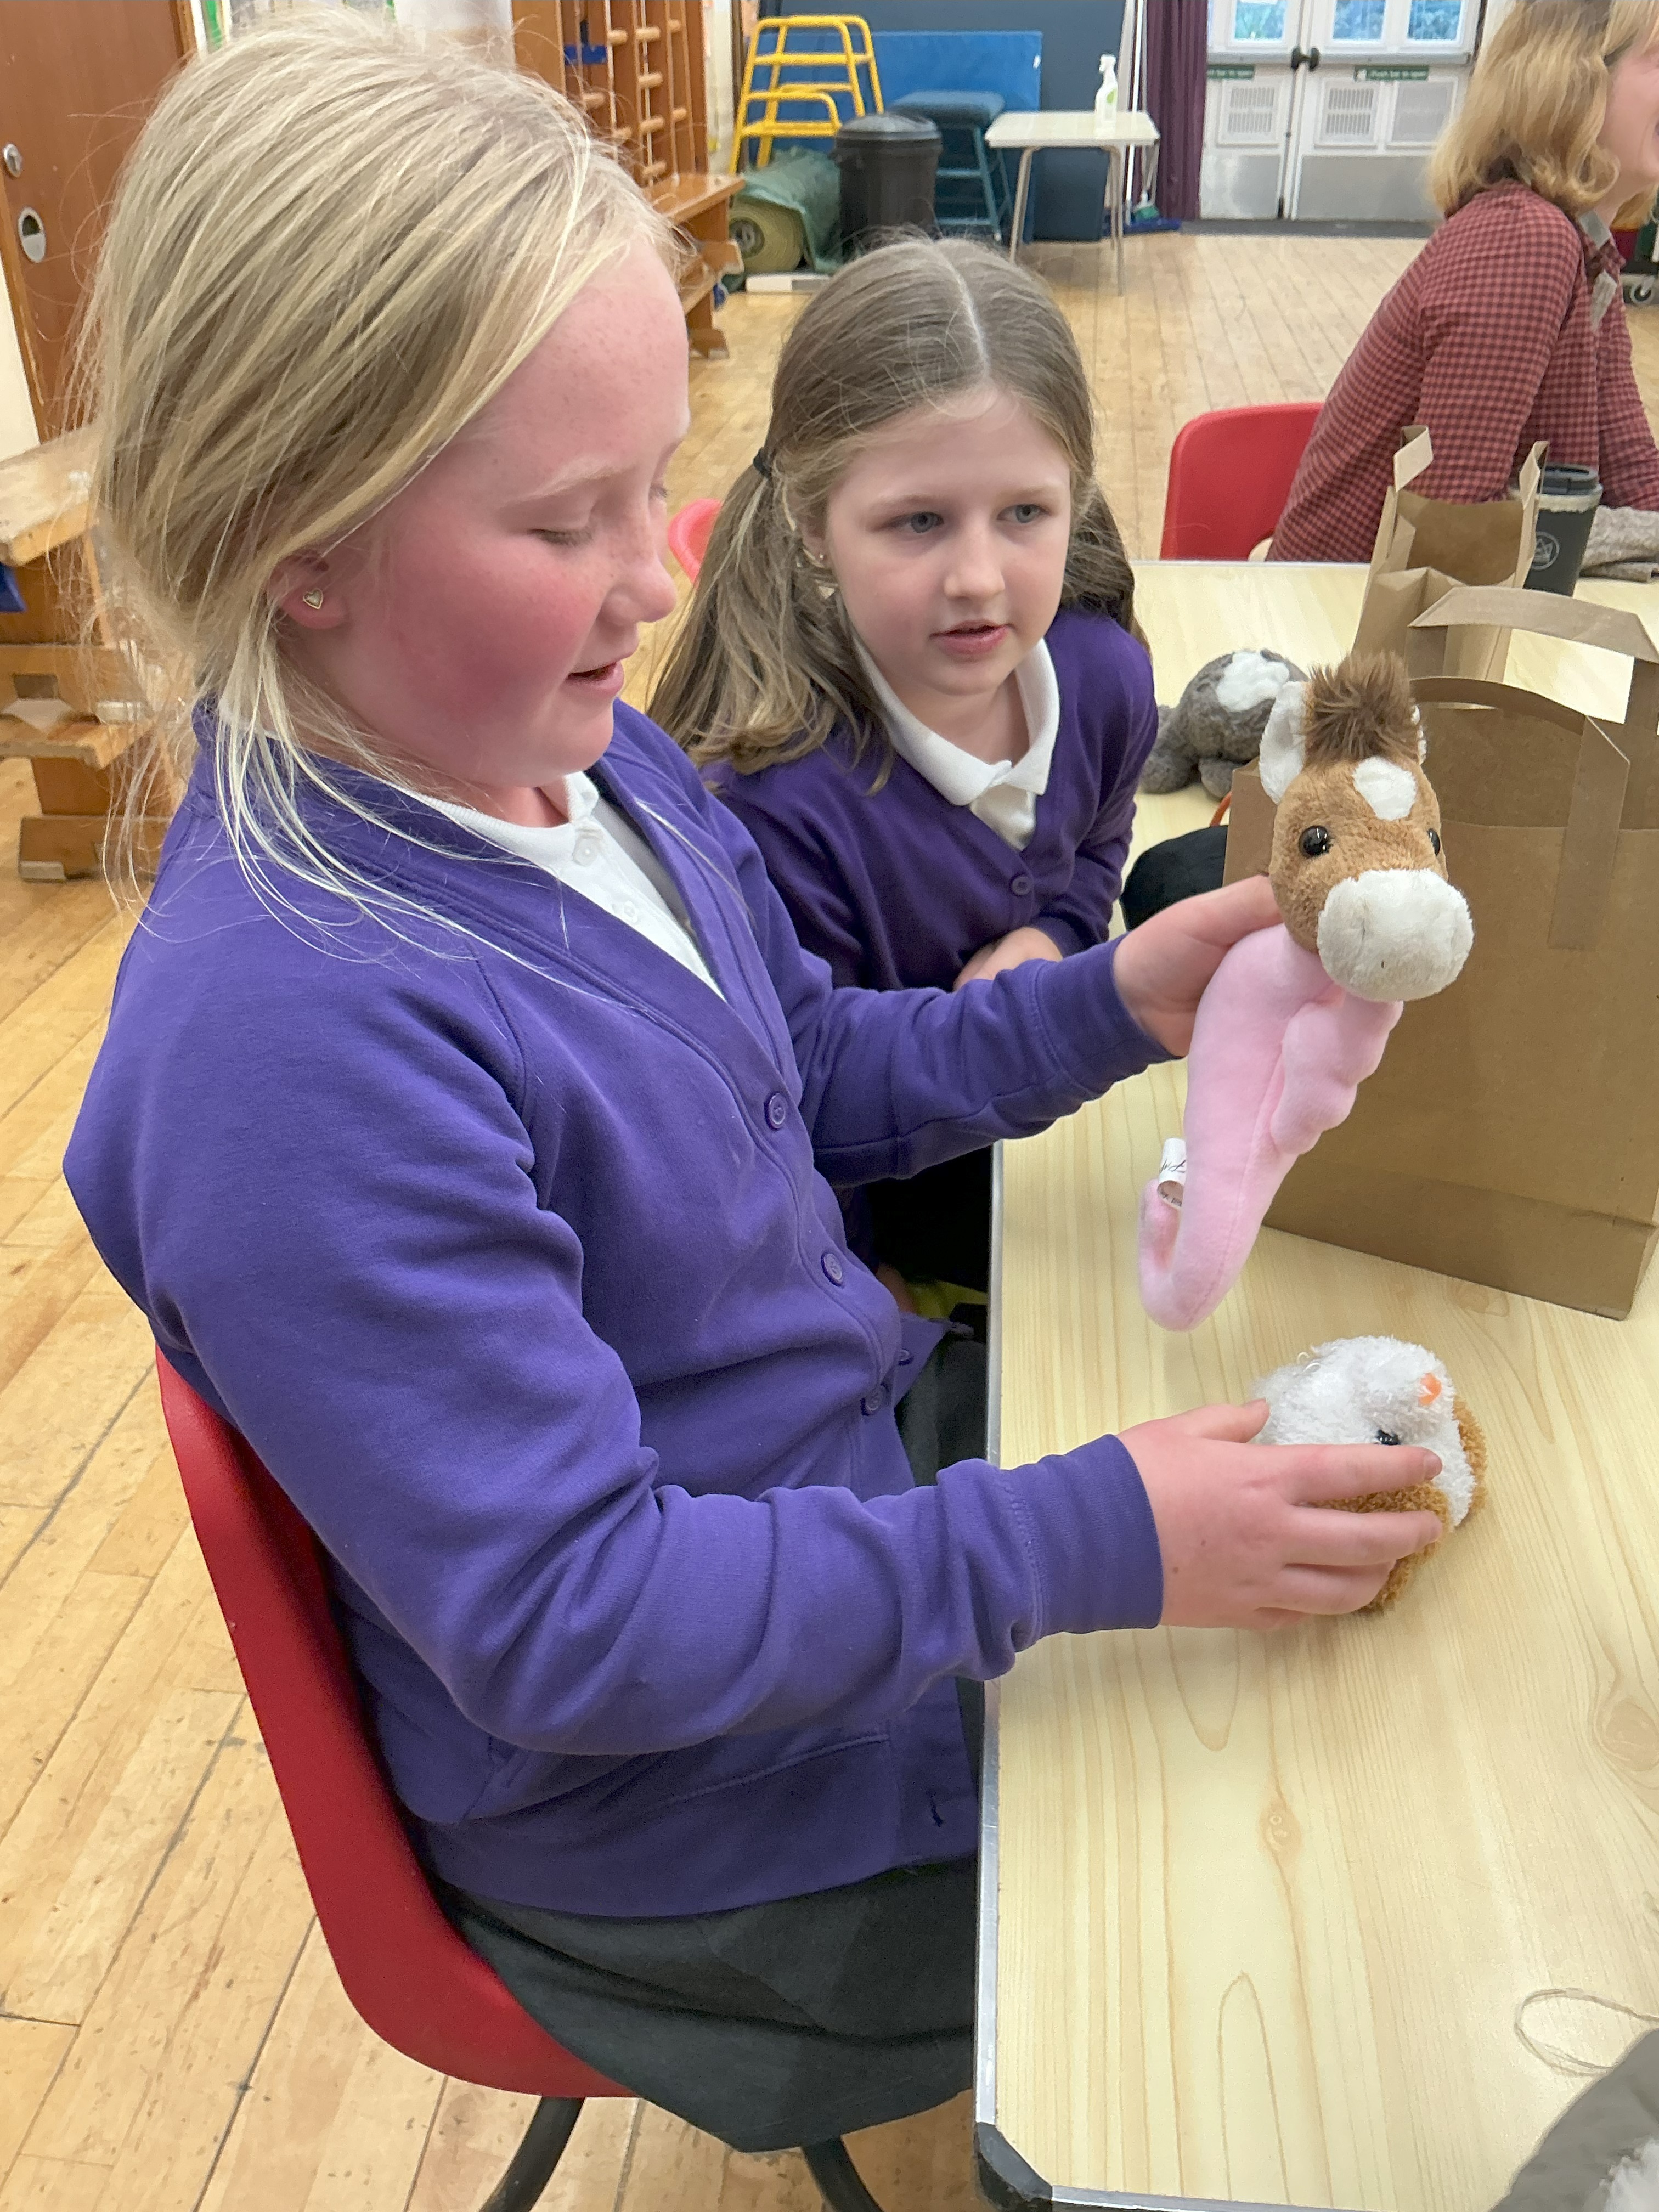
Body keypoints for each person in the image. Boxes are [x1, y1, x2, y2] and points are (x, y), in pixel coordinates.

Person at [63, 16, 1443, 2168]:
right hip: (698, 1827)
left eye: (654, 485)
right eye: (568, 519)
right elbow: (575, 1624)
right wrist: (1096, 1535)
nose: (658, 577)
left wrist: (1114, 1000)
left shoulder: (585, 758)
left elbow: (797, 1070)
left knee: (1388, 1611)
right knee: (1332, 1889)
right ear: (291, 539)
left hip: (833, 1510)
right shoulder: (290, 1046)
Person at [652, 239, 1153, 1307]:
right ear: (811, 525)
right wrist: (859, 1278)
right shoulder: (770, 808)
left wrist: (1056, 935)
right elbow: (791, 1104)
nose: (977, 578)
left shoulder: (1106, 677)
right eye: (918, 522)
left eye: (1024, 514)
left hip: (1046, 1137)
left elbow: (1097, 852)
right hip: (888, 1214)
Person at [1271, 0, 1659, 567]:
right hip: (1340, 611)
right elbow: (1449, 531)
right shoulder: (1524, 238)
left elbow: (1633, 480)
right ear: (1575, 78)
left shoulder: (1587, 253)